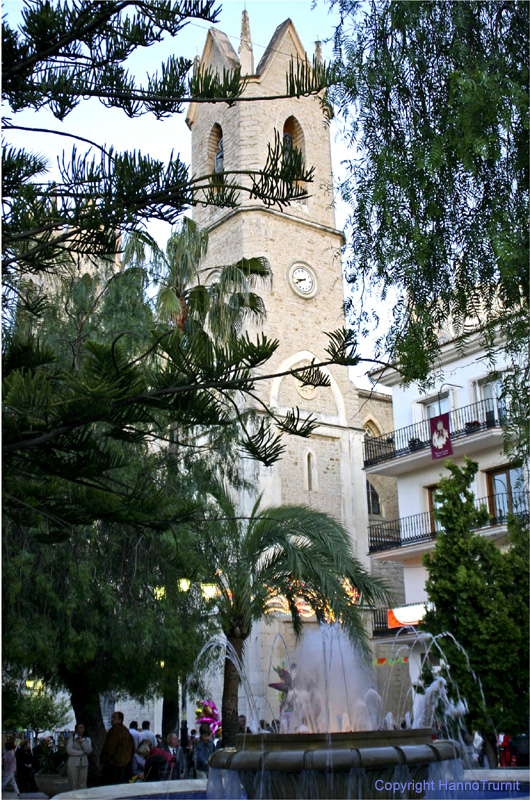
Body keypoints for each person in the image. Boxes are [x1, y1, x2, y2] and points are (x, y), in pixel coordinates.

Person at [100, 711, 136, 785]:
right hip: (125, 765)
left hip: (114, 766)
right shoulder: (127, 731)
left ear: (120, 720)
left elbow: (109, 748)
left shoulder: (114, 730)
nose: (111, 720)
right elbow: (132, 748)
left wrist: (105, 760)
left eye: (114, 718)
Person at [66, 722, 92, 790]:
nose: (80, 730)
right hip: (73, 763)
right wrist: (81, 753)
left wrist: (82, 742)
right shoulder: (72, 738)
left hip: (83, 764)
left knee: (82, 784)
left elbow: (88, 750)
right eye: (78, 728)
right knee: (73, 783)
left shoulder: (87, 739)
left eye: (81, 728)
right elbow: (69, 750)